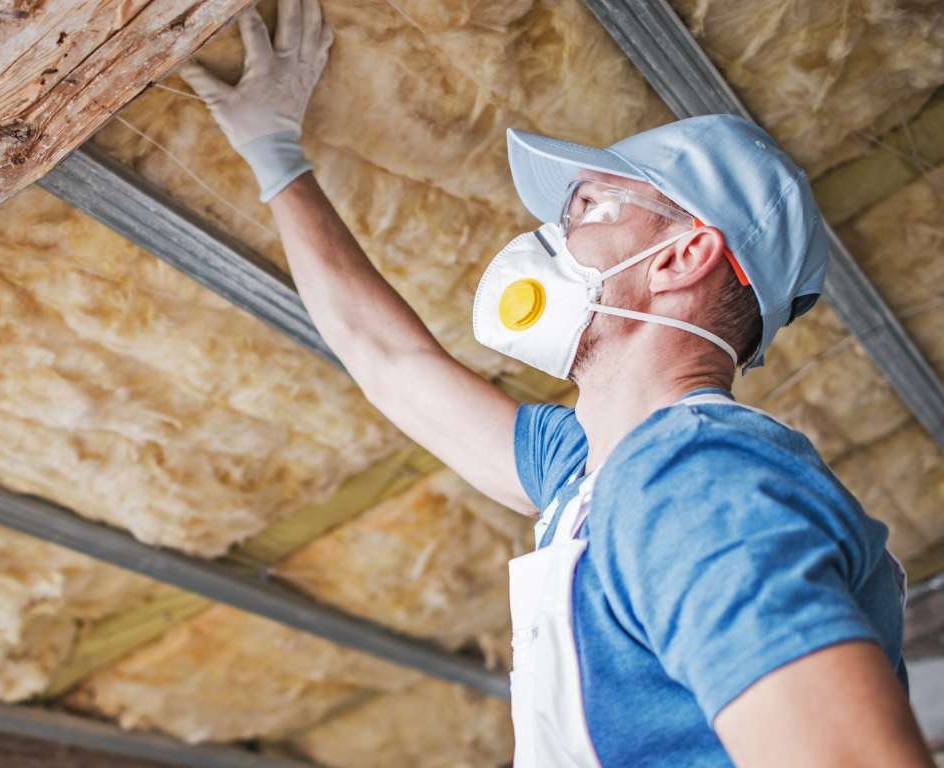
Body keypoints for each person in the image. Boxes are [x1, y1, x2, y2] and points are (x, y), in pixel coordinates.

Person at [179, 1, 935, 766]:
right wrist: (276, 156)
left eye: (590, 208)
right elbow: (390, 361)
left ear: (683, 258)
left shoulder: (695, 481)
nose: (551, 239)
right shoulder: (591, 476)